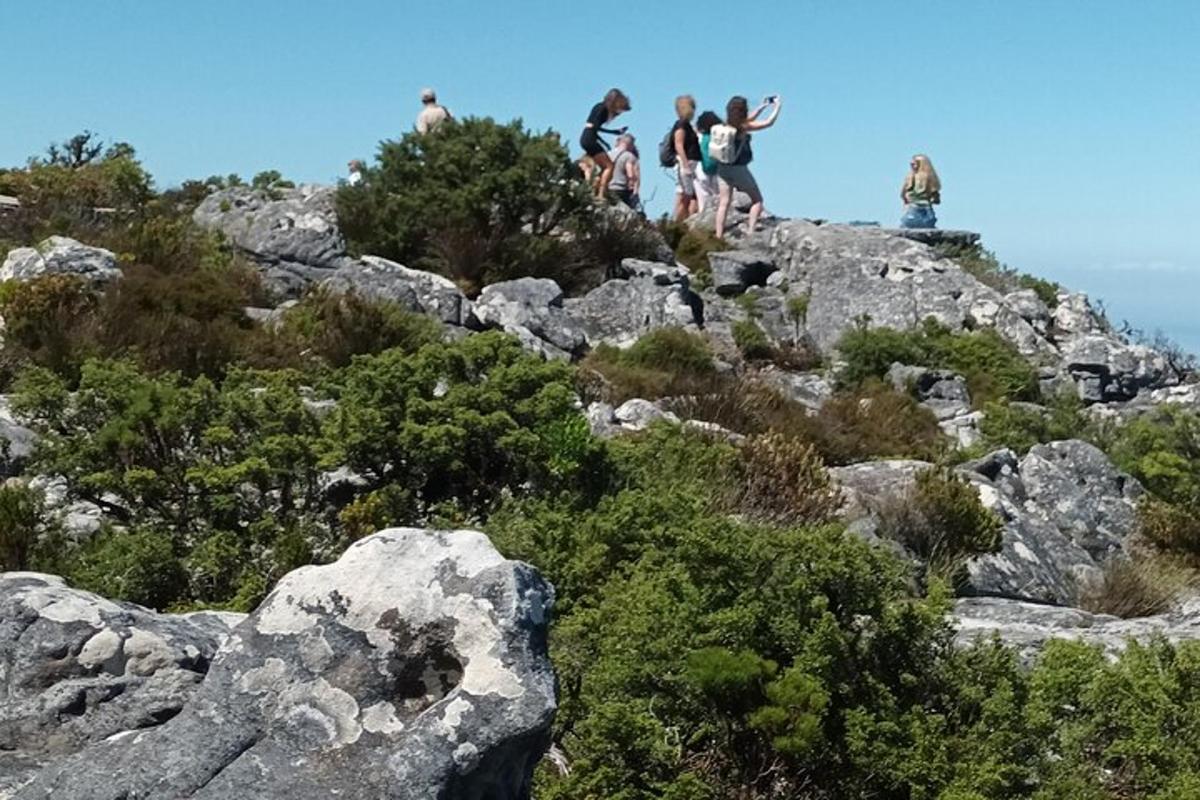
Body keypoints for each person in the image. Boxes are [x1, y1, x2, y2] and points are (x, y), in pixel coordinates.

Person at [715, 95, 782, 240]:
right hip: (739, 169)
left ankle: (718, 235)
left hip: (722, 167)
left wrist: (762, 107)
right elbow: (768, 123)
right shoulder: (743, 127)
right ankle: (751, 232)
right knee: (757, 200)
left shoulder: (726, 124)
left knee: (724, 202)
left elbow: (748, 119)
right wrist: (777, 107)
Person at [579, 88, 631, 198]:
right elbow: (594, 127)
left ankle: (594, 189)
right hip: (589, 139)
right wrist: (612, 133)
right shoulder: (602, 109)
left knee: (604, 167)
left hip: (587, 138)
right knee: (609, 166)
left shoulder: (599, 107)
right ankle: (601, 193)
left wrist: (611, 135)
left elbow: (593, 128)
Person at [671, 95, 703, 221]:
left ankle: (678, 223)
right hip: (686, 163)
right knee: (686, 196)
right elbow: (678, 144)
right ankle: (677, 223)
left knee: (684, 196)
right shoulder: (682, 125)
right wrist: (685, 165)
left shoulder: (686, 125)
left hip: (690, 163)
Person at [900, 154, 941, 229]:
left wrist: (907, 200)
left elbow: (903, 194)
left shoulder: (910, 177)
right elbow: (936, 200)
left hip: (912, 209)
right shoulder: (931, 178)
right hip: (927, 211)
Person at [694, 110, 722, 213]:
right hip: (719, 172)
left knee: (703, 203)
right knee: (720, 201)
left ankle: (704, 225)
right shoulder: (720, 136)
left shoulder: (699, 137)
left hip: (701, 171)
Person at [607, 134, 642, 212]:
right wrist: (635, 191)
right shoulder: (630, 157)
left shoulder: (607, 154)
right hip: (622, 190)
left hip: (608, 188)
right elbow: (631, 175)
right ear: (631, 144)